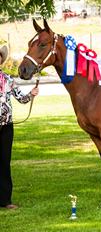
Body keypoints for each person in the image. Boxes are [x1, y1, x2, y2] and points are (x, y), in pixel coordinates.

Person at [0, 45, 39, 209]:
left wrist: (31, 94)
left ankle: (5, 200)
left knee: (4, 163)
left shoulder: (8, 80)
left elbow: (21, 99)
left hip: (6, 127)